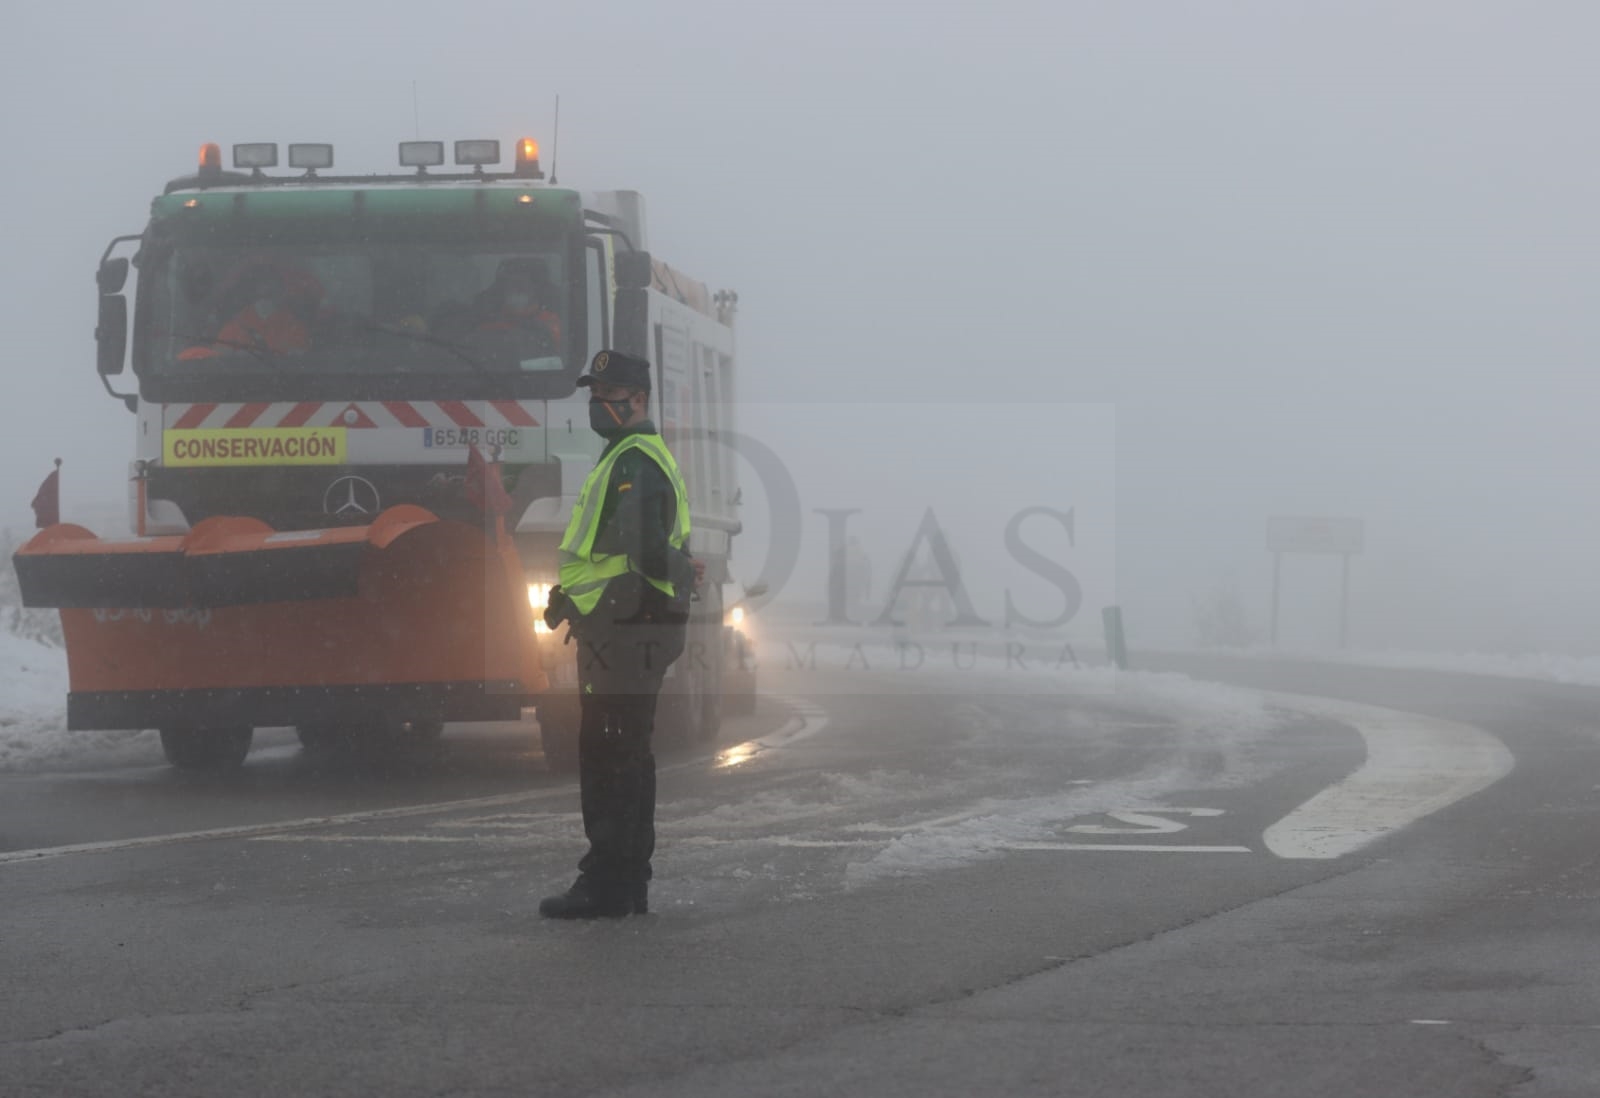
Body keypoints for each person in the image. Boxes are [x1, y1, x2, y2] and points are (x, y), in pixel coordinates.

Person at [539, 350, 700, 919]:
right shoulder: (624, 457)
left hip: (629, 630)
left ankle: (608, 882)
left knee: (610, 756)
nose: (595, 404)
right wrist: (569, 599)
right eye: (593, 393)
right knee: (626, 754)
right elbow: (610, 548)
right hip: (628, 625)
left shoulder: (635, 461)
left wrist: (683, 571)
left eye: (606, 394)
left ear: (638, 400)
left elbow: (646, 547)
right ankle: (627, 880)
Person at [178, 264, 314, 361]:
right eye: (260, 293)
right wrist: (236, 359)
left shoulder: (295, 328)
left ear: (280, 294)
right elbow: (217, 363)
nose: (264, 298)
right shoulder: (233, 328)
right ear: (251, 295)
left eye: (270, 293)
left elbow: (304, 364)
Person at [476, 264, 561, 352]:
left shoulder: (551, 323)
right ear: (503, 291)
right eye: (513, 285)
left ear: (534, 291)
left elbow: (560, 357)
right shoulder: (488, 326)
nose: (518, 290)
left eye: (522, 285)